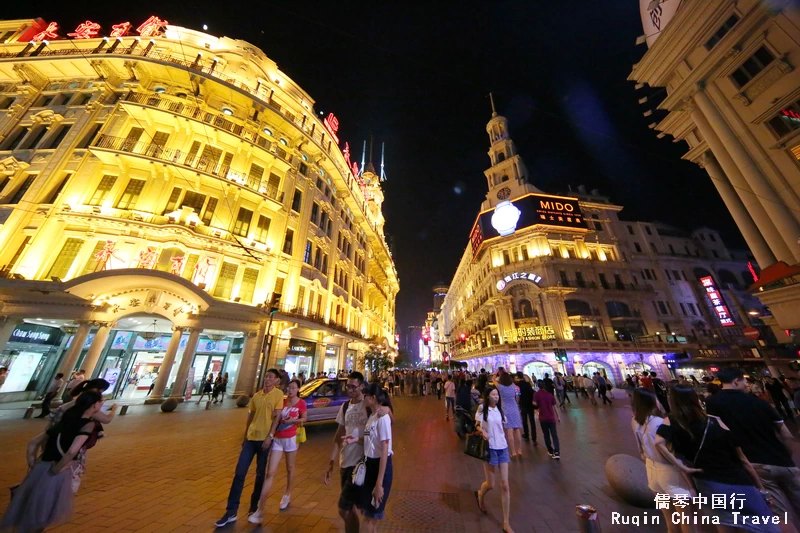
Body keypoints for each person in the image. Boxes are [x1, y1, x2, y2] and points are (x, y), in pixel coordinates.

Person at [655, 386, 778, 533]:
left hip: (709, 484)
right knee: (763, 526)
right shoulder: (716, 421)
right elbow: (742, 459)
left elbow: (659, 444)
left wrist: (687, 477)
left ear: (672, 400)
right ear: (695, 398)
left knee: (725, 526)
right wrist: (761, 488)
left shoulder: (672, 422)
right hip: (739, 480)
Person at [706, 368, 800, 525]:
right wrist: (788, 456)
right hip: (784, 461)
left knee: (780, 513)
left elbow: (718, 432)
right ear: (736, 381)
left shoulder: (713, 403)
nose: (746, 385)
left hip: (754, 464)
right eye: (744, 381)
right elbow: (785, 433)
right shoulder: (760, 403)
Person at [1, 391, 104, 532]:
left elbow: (33, 443)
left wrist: (32, 463)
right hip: (57, 472)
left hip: (40, 468)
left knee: (28, 509)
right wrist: (57, 469)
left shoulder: (65, 420)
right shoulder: (88, 424)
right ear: (94, 405)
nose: (102, 403)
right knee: (42, 512)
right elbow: (72, 451)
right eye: (101, 401)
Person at [216, 369, 284, 527]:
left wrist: (270, 436)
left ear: (276, 380)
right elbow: (250, 415)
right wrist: (246, 434)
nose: (267, 379)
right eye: (266, 376)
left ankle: (254, 508)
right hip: (250, 439)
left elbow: (277, 417)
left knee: (260, 475)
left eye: (271, 377)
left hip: (264, 441)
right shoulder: (257, 395)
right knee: (239, 473)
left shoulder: (278, 395)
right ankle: (231, 511)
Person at [324, 372, 390, 533]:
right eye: (348, 386)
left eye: (353, 386)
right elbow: (339, 434)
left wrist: (387, 409)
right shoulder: (345, 406)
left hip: (360, 464)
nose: (350, 390)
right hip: (344, 461)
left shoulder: (367, 405)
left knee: (344, 508)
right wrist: (332, 461)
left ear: (362, 386)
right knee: (352, 507)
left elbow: (385, 412)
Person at [630, 388, 694, 533]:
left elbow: (640, 449)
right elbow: (672, 453)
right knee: (686, 519)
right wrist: (690, 483)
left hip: (651, 469)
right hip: (670, 472)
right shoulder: (660, 422)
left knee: (669, 518)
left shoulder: (635, 420)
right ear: (652, 402)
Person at [249, 380, 308, 523]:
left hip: (291, 439)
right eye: (289, 387)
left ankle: (287, 493)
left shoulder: (301, 403)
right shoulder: (282, 401)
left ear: (298, 389)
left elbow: (305, 418)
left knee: (290, 468)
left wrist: (293, 421)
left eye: (293, 388)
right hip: (277, 440)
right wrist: (270, 435)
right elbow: (276, 420)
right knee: (270, 473)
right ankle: (260, 510)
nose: (290, 390)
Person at [342, 383, 393, 532]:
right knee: (369, 515)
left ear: (373, 398)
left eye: (366, 396)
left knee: (370, 517)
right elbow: (371, 442)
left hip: (380, 467)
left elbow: (385, 450)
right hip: (369, 465)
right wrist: (355, 439)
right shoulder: (372, 416)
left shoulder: (382, 418)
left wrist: (379, 483)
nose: (363, 398)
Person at [474, 386, 514, 533]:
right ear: (487, 396)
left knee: (505, 485)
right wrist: (482, 431)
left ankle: (506, 522)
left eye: (497, 395)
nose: (496, 397)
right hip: (489, 449)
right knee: (491, 484)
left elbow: (504, 427)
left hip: (502, 448)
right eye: (493, 394)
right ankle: (481, 494)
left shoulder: (500, 410)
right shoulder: (481, 409)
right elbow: (477, 425)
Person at [496, 372, 523, 459]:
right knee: (517, 429)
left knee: (509, 431)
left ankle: (513, 452)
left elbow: (494, 380)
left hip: (506, 410)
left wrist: (497, 373)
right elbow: (517, 397)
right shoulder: (513, 386)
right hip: (514, 407)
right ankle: (519, 450)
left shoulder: (501, 387)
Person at [535, 383, 561, 459]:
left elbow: (534, 403)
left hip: (543, 418)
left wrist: (537, 410)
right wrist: (558, 417)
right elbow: (555, 407)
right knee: (554, 435)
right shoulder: (550, 395)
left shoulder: (537, 394)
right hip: (551, 417)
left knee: (546, 435)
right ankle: (557, 452)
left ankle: (550, 450)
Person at [515, 372, 536, 445]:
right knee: (532, 421)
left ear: (517, 377)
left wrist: (518, 402)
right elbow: (532, 392)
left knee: (524, 420)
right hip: (530, 404)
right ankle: (534, 437)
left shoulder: (517, 385)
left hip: (523, 404)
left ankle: (526, 434)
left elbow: (517, 395)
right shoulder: (527, 384)